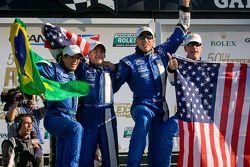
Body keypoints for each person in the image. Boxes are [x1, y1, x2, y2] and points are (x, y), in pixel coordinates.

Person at [112, 0, 191, 166]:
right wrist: (103, 68)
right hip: (141, 106)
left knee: (158, 143)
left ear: (153, 41)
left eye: (149, 37)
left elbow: (182, 29)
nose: (145, 40)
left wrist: (184, 5)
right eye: (141, 37)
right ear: (136, 41)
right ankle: (132, 164)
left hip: (161, 107)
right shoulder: (127, 62)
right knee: (143, 121)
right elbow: (111, 86)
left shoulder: (162, 52)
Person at [36, 44, 84, 167]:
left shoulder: (73, 74)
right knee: (76, 128)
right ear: (63, 57)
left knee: (62, 158)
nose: (75, 60)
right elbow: (34, 66)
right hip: (55, 117)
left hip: (68, 119)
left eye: (78, 58)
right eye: (72, 57)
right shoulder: (55, 70)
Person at [75, 41, 119, 167]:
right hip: (87, 116)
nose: (99, 54)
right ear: (89, 54)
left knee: (111, 157)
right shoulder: (82, 68)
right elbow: (71, 58)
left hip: (107, 116)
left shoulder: (110, 71)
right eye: (96, 52)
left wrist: (106, 64)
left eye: (101, 52)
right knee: (85, 156)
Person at [164, 33, 203, 165]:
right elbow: (171, 80)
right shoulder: (178, 64)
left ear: (201, 48)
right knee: (165, 131)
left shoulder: (210, 67)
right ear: (185, 48)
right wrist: (170, 68)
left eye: (197, 45)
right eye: (190, 45)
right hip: (183, 116)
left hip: (204, 118)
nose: (194, 48)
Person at [5, 92, 46, 167]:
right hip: (18, 147)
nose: (33, 99)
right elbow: (10, 119)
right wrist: (16, 102)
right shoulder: (18, 109)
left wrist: (40, 94)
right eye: (30, 97)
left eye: (35, 97)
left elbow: (49, 108)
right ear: (25, 98)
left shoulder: (36, 112)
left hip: (35, 147)